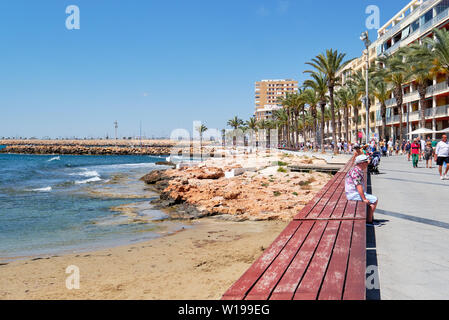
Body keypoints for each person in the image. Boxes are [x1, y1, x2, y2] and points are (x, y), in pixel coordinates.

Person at [345, 155, 378, 225]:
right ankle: (369, 221)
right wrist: (364, 198)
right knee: (374, 199)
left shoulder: (356, 169)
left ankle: (369, 218)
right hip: (353, 194)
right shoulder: (356, 172)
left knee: (371, 199)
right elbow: (358, 186)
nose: (368, 163)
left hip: (352, 193)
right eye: (366, 162)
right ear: (361, 163)